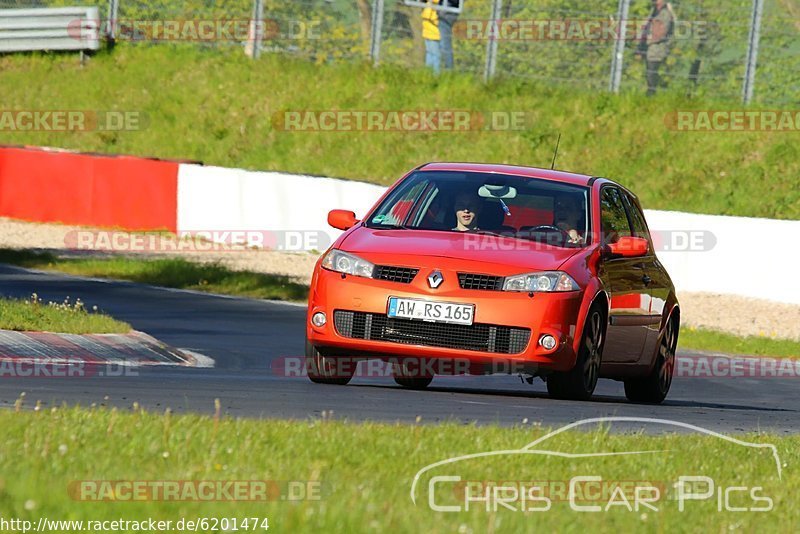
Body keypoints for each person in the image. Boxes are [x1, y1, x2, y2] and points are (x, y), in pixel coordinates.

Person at [636, 0, 675, 96]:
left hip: (657, 49)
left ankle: (652, 94)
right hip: (649, 48)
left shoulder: (665, 14)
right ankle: (650, 94)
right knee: (649, 72)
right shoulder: (653, 12)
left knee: (652, 73)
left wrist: (648, 39)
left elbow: (661, 33)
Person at [438, 0, 460, 70]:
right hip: (445, 11)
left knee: (445, 45)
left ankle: (448, 71)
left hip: (447, 13)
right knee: (441, 44)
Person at [422, 0, 441, 74]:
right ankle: (434, 74)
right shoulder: (433, 4)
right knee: (434, 55)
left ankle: (429, 73)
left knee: (431, 54)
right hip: (432, 33)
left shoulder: (431, 4)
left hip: (430, 32)